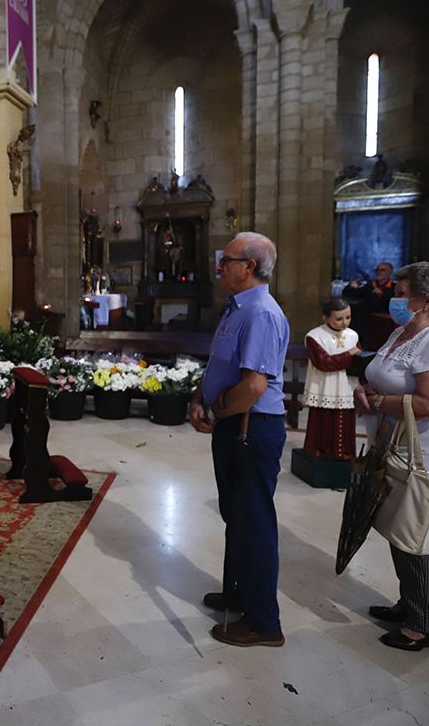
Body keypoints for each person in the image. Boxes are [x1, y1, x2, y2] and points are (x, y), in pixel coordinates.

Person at [353, 261, 429, 651]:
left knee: (420, 535)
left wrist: (379, 402)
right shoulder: (403, 331)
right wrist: (366, 394)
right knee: (401, 529)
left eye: (402, 293)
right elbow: (378, 376)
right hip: (398, 445)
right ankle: (411, 603)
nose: (394, 299)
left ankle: (426, 624)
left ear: (428, 300)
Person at [188, 231, 289, 648]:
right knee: (237, 514)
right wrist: (199, 396)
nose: (219, 266)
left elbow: (252, 387)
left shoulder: (261, 312)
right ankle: (238, 592)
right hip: (234, 421)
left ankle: (264, 622)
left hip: (252, 425)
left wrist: (214, 409)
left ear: (248, 267)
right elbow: (221, 366)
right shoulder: (236, 308)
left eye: (226, 259)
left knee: (254, 522)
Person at [301, 298, 360, 460]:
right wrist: (349, 354)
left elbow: (359, 359)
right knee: (323, 423)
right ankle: (321, 452)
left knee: (346, 423)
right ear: (325, 318)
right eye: (339, 318)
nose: (344, 323)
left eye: (348, 317)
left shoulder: (352, 335)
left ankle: (344, 455)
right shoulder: (315, 336)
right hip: (324, 386)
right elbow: (324, 362)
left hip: (345, 386)